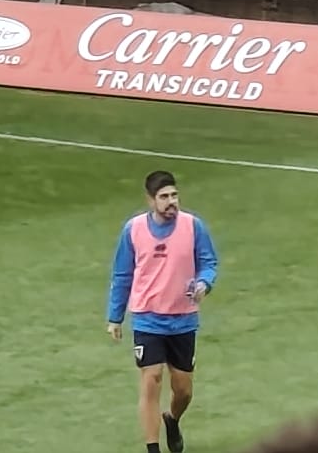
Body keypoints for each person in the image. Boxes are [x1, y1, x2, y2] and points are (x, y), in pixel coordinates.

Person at [107, 169, 217, 453]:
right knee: (151, 378)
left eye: (174, 195)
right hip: (147, 318)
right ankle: (153, 448)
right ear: (150, 200)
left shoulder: (194, 226)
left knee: (183, 390)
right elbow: (122, 274)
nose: (172, 202)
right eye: (164, 197)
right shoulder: (133, 230)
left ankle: (172, 418)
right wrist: (115, 316)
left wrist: (205, 283)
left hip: (183, 319)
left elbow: (208, 262)